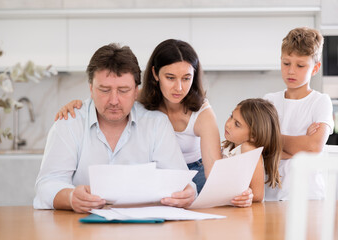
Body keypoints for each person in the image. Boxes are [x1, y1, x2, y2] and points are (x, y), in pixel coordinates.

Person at [55, 39, 254, 206]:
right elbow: (110, 95)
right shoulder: (137, 97)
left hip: (195, 173)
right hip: (160, 173)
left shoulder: (202, 113)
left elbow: (213, 172)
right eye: (170, 77)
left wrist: (237, 194)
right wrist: (79, 105)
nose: (179, 87)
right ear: (155, 74)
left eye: (186, 78)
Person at [34, 43, 196, 213]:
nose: (113, 100)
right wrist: (70, 197)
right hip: (81, 229)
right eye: (104, 90)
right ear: (91, 89)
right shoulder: (69, 123)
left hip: (143, 228)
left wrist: (187, 193)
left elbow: (182, 182)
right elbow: (47, 184)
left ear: (136, 92)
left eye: (123, 90)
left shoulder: (157, 124)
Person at [263, 27, 334, 201]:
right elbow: (261, 148)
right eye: (286, 63)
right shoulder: (269, 101)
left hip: (309, 196)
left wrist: (274, 141)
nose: (291, 71)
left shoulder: (320, 101)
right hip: (271, 195)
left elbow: (314, 146)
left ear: (315, 68)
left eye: (300, 65)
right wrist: (302, 144)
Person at [222, 98, 282, 205]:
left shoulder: (248, 148)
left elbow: (258, 195)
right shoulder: (228, 147)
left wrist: (246, 196)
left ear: (253, 136)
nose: (228, 124)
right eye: (231, 116)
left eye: (237, 124)